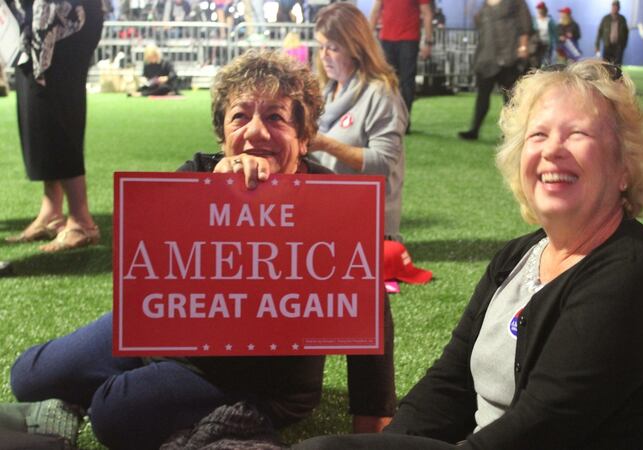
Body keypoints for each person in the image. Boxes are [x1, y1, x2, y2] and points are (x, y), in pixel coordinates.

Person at [293, 59, 643, 450]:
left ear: (624, 168)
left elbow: (539, 429)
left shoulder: (632, 280)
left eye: (577, 134)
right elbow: (450, 384)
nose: (553, 150)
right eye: (538, 135)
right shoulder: (518, 256)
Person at [3, 49, 396, 450]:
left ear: (304, 136)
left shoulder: (334, 200)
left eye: (275, 117)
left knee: (113, 413)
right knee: (29, 377)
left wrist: (372, 412)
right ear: (223, 133)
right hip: (164, 339)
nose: (255, 133)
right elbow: (144, 266)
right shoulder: (196, 173)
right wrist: (208, 196)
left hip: (254, 378)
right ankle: (131, 378)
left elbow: (368, 310)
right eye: (240, 116)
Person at [4, 0, 103, 252]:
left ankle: (81, 221)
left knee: (56, 111)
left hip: (61, 18)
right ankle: (52, 213)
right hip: (35, 20)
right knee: (36, 114)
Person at [308, 3, 407, 242]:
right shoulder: (325, 90)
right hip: (326, 216)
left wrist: (325, 144)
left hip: (368, 227)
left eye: (333, 48)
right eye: (321, 46)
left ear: (355, 48)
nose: (324, 56)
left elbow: (383, 163)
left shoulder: (380, 94)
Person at [457, 0, 531, 141]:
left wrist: (523, 48)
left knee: (510, 98)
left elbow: (525, 25)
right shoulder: (484, 4)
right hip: (487, 56)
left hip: (509, 55)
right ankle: (474, 130)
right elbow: (479, 24)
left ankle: (510, 133)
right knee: (482, 96)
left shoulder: (516, 2)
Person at [369, 0, 433, 132]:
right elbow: (375, 11)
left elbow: (427, 14)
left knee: (407, 83)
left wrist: (428, 41)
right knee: (386, 83)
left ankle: (403, 123)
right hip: (387, 40)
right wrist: (368, 38)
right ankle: (386, 120)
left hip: (408, 40)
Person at [595, 0, 628, 65]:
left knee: (617, 66)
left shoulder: (622, 19)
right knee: (606, 65)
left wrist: (623, 45)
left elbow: (626, 33)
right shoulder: (606, 19)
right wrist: (597, 45)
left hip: (618, 46)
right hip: (607, 46)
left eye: (616, 6)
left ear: (619, 8)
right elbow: (599, 32)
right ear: (611, 7)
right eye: (614, 6)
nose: (615, 8)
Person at [530, 1, 557, 68]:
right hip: (537, 43)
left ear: (545, 9)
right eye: (538, 9)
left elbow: (554, 32)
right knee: (537, 61)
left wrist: (557, 41)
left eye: (541, 9)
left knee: (547, 61)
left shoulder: (550, 20)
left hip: (547, 43)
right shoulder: (534, 20)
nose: (540, 10)